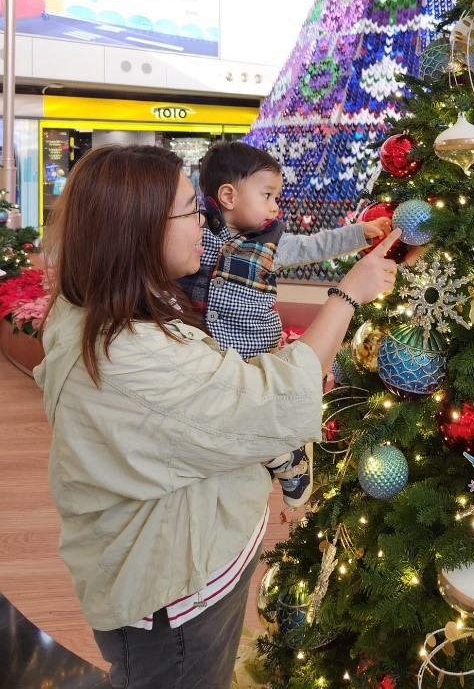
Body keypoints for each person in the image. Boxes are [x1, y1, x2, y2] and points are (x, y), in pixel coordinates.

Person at [33, 144, 400, 689]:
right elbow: (271, 402)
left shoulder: (103, 308)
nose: (205, 224)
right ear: (138, 230)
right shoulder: (133, 355)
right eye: (190, 210)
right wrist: (347, 295)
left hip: (186, 576)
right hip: (178, 600)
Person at [180, 140, 392, 508]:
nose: (275, 206)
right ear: (228, 195)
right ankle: (280, 454)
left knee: (262, 407)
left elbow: (314, 245)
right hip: (209, 351)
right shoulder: (195, 236)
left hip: (256, 350)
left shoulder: (271, 243)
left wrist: (360, 233)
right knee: (226, 419)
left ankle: (287, 453)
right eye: (267, 195)